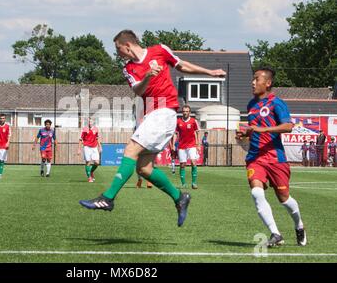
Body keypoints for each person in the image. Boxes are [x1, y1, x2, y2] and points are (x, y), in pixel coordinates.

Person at [79, 29, 226, 227]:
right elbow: (137, 90)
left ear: (128, 45)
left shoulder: (159, 50)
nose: (118, 52)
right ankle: (179, 198)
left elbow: (181, 65)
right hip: (152, 115)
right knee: (144, 168)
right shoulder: (128, 68)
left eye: (118, 48)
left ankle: (108, 197)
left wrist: (209, 72)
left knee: (131, 149)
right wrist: (148, 76)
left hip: (164, 112)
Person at [236, 67, 306, 247]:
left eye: (256, 79)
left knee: (284, 198)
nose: (253, 82)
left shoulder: (277, 103)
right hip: (255, 157)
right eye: (253, 79)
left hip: (276, 157)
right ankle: (276, 233)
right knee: (256, 192)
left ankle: (299, 225)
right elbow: (255, 131)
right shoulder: (251, 105)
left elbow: (288, 126)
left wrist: (263, 129)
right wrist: (246, 135)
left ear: (268, 83)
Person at [172, 105, 200, 189]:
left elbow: (198, 132)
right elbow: (175, 134)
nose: (185, 113)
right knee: (182, 164)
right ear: (182, 112)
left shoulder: (193, 121)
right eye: (184, 111)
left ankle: (194, 183)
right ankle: (183, 184)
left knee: (193, 162)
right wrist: (173, 145)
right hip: (181, 146)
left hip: (192, 145)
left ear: (190, 112)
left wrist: (198, 144)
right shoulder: (178, 121)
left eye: (187, 111)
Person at [78, 118, 102, 183]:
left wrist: (100, 146)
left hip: (94, 147)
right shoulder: (84, 129)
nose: (90, 123)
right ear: (87, 122)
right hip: (87, 147)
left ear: (93, 122)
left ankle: (91, 171)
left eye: (91, 121)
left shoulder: (96, 129)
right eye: (88, 122)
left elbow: (97, 138)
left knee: (97, 162)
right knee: (88, 162)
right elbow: (80, 139)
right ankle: (89, 178)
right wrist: (79, 149)